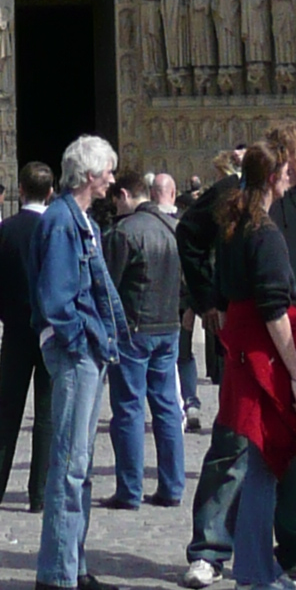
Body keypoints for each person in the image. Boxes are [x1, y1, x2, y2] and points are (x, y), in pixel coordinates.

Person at [187, 123, 296, 589]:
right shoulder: (238, 198)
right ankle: (211, 549)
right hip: (264, 348)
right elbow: (189, 235)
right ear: (280, 161)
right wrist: (208, 298)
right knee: (236, 448)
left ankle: (294, 545)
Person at [211, 137, 296, 590]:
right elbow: (275, 310)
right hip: (264, 358)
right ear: (276, 178)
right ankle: (252, 576)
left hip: (243, 351)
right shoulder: (266, 233)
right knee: (262, 467)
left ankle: (259, 567)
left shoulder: (234, 226)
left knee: (259, 465)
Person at [31, 132, 128, 590]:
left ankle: (74, 564)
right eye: (108, 170)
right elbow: (56, 296)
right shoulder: (61, 221)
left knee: (82, 466)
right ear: (90, 174)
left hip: (89, 352)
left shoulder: (81, 220)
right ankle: (54, 576)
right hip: (75, 355)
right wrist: (80, 340)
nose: (113, 178)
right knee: (69, 465)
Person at [100, 165, 183, 510]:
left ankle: (130, 489)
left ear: (124, 195)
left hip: (134, 329)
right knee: (166, 408)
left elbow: (107, 287)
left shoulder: (125, 232)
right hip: (168, 325)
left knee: (129, 410)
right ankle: (172, 485)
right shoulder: (174, 227)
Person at [0, 162, 55, 510]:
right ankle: (40, 494)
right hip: (52, 332)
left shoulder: (4, 231)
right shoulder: (57, 229)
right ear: (50, 192)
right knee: (47, 413)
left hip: (16, 330)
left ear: (20, 189)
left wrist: (6, 313)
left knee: (7, 408)